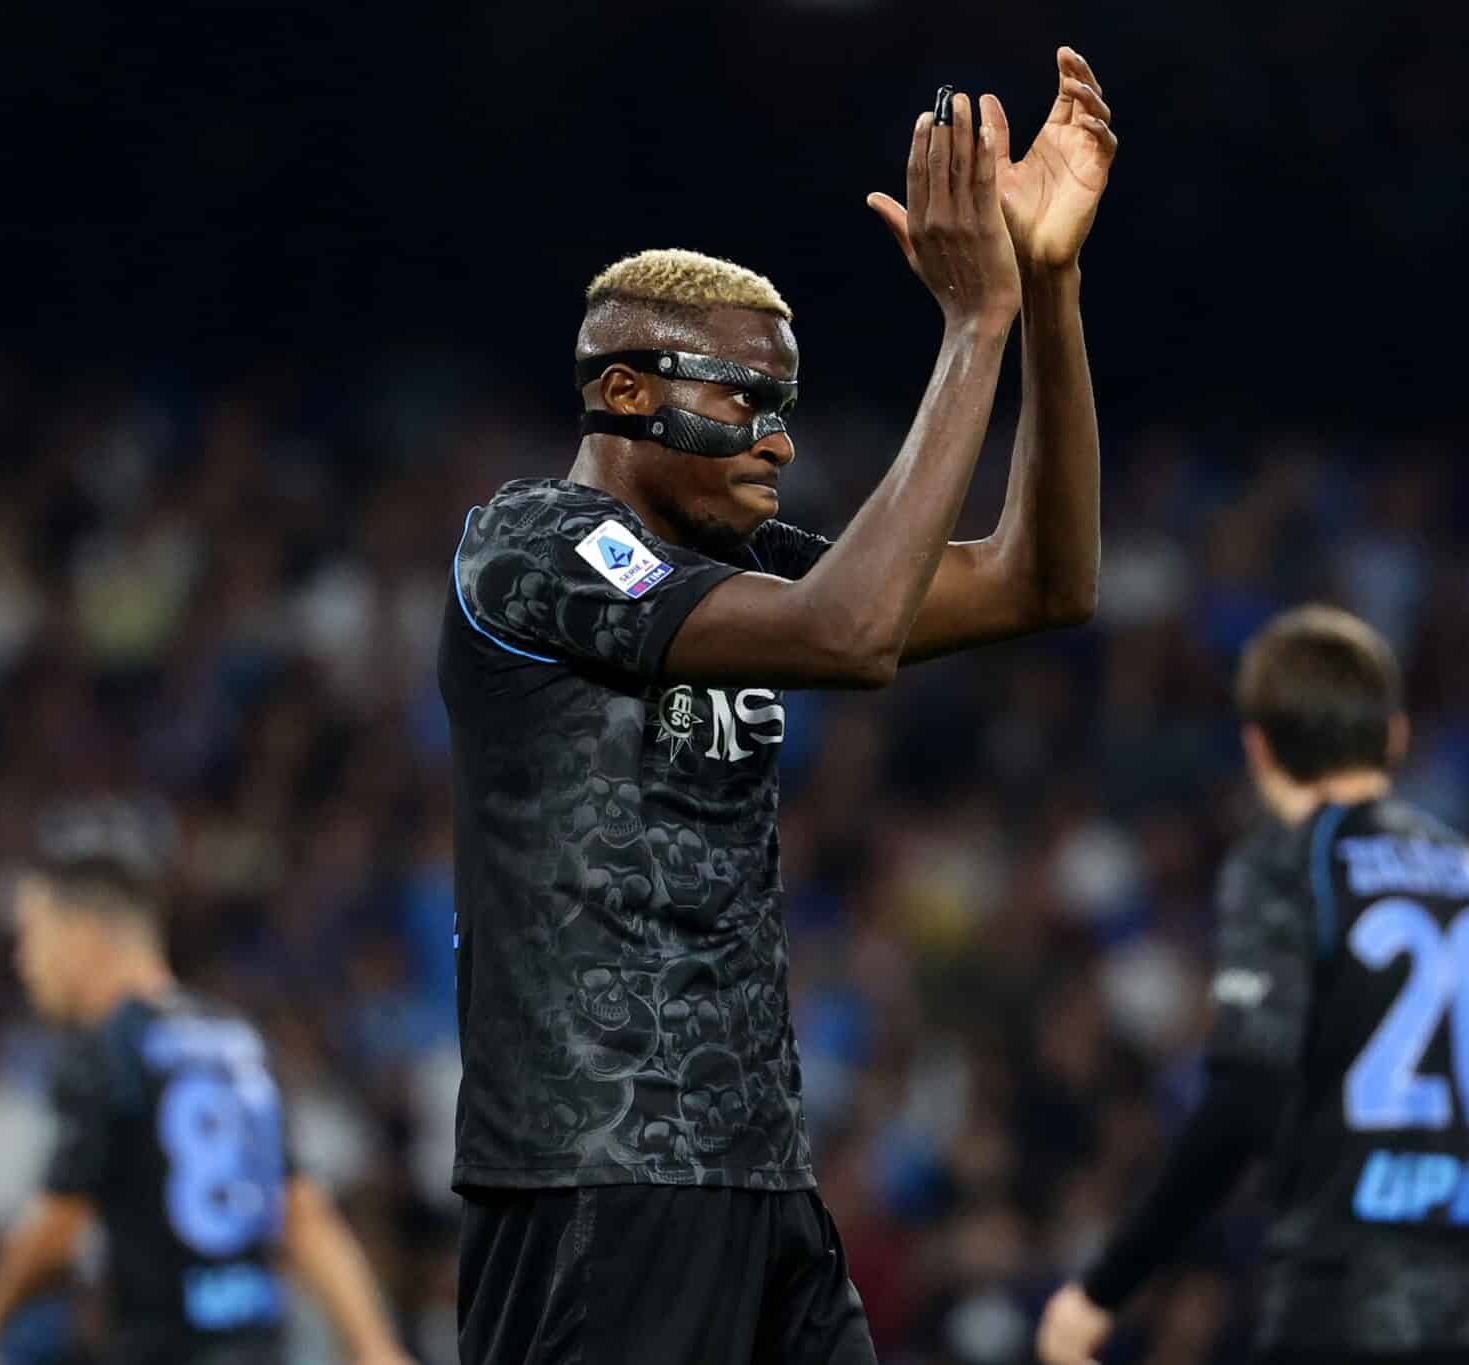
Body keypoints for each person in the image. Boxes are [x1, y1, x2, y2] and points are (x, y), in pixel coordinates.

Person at [441, 47, 1116, 1365]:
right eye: (742, 400)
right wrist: (970, 327)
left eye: (786, 406)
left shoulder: (741, 572)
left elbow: (1046, 579)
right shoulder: (529, 547)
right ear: (627, 394)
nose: (778, 439)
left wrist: (1045, 289)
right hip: (596, 1174)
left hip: (757, 1171)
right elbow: (852, 635)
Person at [1035, 605, 1469, 1365]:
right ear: (1395, 736)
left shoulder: (1287, 865)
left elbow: (1246, 1098)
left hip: (1343, 1304)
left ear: (1259, 747)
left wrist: (1101, 1290)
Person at [0, 809, 415, 1365]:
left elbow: (58, 1228)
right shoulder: (233, 1038)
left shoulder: (109, 1049)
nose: (23, 961)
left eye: (33, 934)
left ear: (83, 934)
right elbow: (304, 1214)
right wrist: (374, 1345)